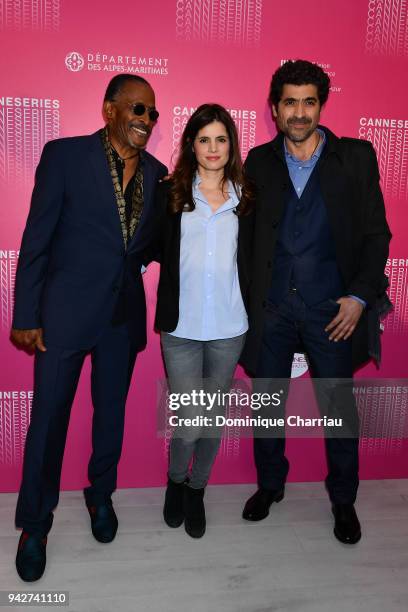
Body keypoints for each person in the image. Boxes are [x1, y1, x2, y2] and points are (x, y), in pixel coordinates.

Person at [11, 74, 167, 581]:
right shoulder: (64, 156)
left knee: (110, 420)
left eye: (152, 113)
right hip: (63, 316)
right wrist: (27, 315)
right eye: (136, 109)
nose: (145, 120)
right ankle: (35, 526)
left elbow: (154, 248)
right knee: (48, 422)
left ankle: (101, 496)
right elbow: (36, 239)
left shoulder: (159, 175)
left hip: (121, 320)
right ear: (109, 109)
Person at [240, 60, 391, 544]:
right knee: (267, 404)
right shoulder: (258, 162)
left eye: (309, 101)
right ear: (275, 108)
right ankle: (270, 485)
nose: (300, 112)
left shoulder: (357, 158)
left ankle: (343, 501)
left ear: (321, 105)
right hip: (273, 310)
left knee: (338, 408)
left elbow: (376, 234)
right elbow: (244, 238)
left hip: (333, 311)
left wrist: (361, 296)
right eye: (290, 102)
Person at [153, 104, 254, 538]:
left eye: (221, 139)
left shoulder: (247, 198)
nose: (213, 148)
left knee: (213, 420)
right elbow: (145, 249)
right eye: (204, 139)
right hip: (181, 330)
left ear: (231, 145)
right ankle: (176, 481)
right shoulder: (171, 193)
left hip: (229, 329)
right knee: (189, 420)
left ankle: (196, 489)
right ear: (191, 145)